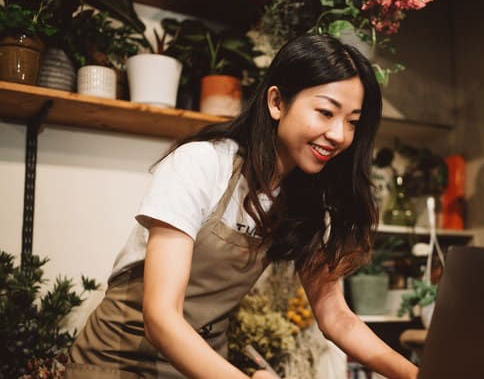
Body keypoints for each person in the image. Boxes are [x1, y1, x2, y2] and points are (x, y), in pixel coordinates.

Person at [64, 34, 419, 379]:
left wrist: (416, 374)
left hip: (202, 366)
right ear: (277, 102)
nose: (340, 135)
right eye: (326, 112)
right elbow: (161, 318)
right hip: (116, 362)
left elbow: (336, 317)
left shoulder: (308, 201)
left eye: (352, 122)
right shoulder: (202, 164)